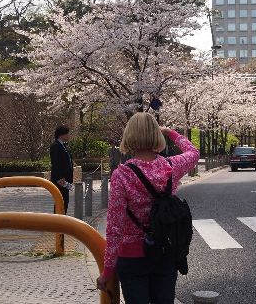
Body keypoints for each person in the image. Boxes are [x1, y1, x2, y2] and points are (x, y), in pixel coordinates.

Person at [97, 112, 199, 304]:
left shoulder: (122, 175)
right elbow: (194, 153)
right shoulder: (170, 166)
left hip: (131, 256)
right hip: (164, 250)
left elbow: (114, 228)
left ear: (129, 136)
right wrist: (171, 133)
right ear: (156, 136)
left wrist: (107, 271)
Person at [50, 125, 73, 214]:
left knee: (65, 200)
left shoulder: (64, 145)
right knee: (60, 200)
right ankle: (58, 219)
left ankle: (63, 217)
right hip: (60, 179)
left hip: (66, 178)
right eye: (67, 134)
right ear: (61, 135)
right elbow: (56, 163)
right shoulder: (55, 146)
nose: (68, 136)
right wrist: (60, 177)